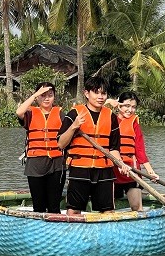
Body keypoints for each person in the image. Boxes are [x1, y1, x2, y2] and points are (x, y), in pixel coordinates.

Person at [57, 76, 129, 216]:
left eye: (103, 93)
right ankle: (73, 235)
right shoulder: (74, 114)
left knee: (108, 210)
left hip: (104, 169)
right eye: (96, 92)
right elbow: (61, 144)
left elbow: (114, 148)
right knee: (74, 209)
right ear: (86, 93)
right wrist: (73, 127)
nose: (100, 97)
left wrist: (121, 164)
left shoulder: (111, 117)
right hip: (80, 168)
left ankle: (106, 236)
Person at [15, 82, 65, 213]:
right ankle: (38, 230)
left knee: (54, 205)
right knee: (39, 205)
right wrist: (35, 95)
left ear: (54, 97)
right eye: (43, 95)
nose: (47, 98)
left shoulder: (60, 114)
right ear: (37, 97)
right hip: (35, 162)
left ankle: (54, 229)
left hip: (56, 163)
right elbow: (19, 111)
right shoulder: (30, 113)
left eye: (50, 95)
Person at [106, 91, 159, 211]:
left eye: (133, 107)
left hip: (131, 170)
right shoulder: (108, 119)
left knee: (136, 206)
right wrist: (108, 102)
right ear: (119, 104)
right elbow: (92, 111)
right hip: (112, 170)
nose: (130, 110)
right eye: (126, 106)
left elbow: (140, 151)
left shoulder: (134, 123)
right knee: (108, 207)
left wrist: (150, 172)